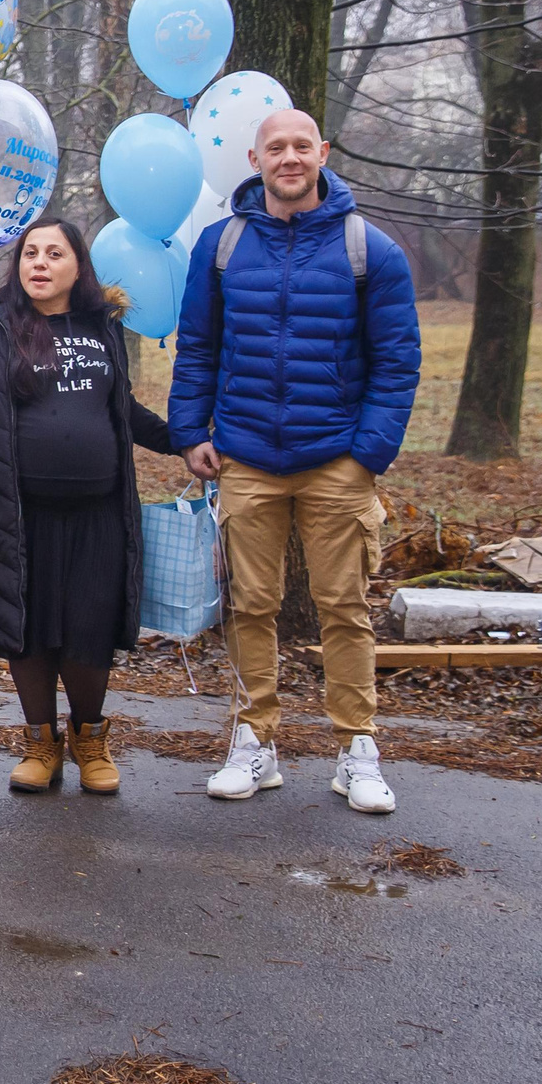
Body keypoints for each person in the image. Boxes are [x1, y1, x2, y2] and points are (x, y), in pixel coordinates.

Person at [171, 109, 421, 814]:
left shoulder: (369, 249)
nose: (289, 157)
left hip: (335, 460)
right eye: (275, 147)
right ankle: (256, 742)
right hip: (246, 456)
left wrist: (367, 453)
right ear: (255, 157)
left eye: (300, 146)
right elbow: (198, 347)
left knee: (344, 607)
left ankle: (357, 750)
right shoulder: (221, 247)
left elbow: (397, 362)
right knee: (250, 605)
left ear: (322, 153)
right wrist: (192, 431)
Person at [0, 219, 176, 794]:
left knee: (89, 627)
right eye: (30, 253)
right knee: (29, 630)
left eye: (54, 253)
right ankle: (40, 744)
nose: (39, 263)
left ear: (79, 267)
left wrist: (186, 438)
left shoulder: (102, 329)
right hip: (16, 512)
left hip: (98, 512)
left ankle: (91, 741)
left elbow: (124, 410)